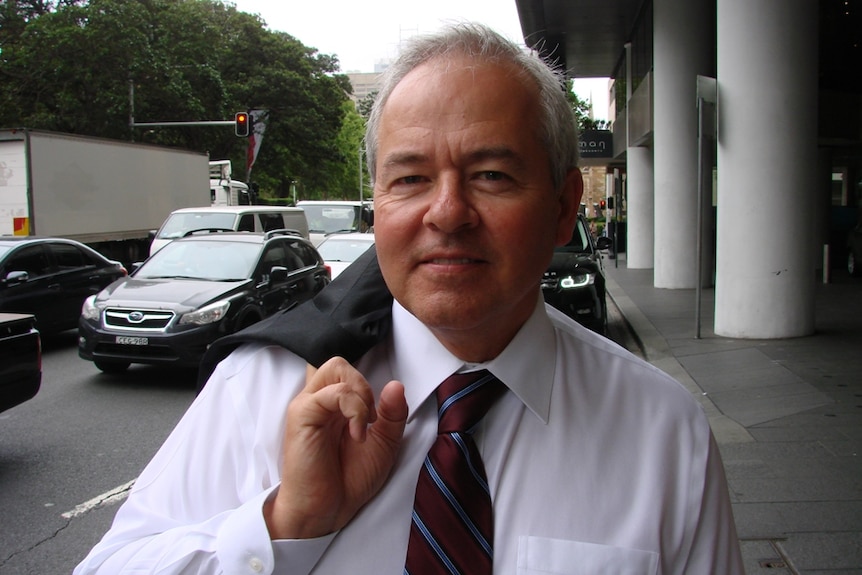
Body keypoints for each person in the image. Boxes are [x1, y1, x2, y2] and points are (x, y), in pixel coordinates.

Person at [74, 22, 744, 574]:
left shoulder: (663, 432)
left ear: (565, 206)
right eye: (411, 178)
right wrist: (285, 524)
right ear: (378, 208)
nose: (447, 212)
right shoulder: (266, 389)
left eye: (490, 174)